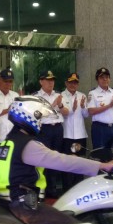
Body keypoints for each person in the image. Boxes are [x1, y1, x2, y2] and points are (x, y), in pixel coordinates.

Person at [0, 95, 113, 224]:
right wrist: (103, 165)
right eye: (39, 117)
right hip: (24, 206)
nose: (40, 122)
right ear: (29, 116)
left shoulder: (9, 141)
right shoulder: (28, 145)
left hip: (7, 202)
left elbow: (54, 158)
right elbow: (64, 162)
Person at [34, 70, 68, 198]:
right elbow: (37, 114)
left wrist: (59, 104)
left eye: (52, 80)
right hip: (45, 130)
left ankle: (53, 188)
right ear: (41, 81)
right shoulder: (36, 96)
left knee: (55, 158)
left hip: (57, 128)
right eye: (48, 80)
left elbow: (66, 112)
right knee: (44, 159)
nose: (50, 83)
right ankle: (42, 188)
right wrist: (53, 105)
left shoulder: (58, 94)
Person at [60, 72, 89, 192]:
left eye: (75, 82)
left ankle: (79, 190)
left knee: (80, 164)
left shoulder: (82, 96)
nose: (73, 85)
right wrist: (72, 109)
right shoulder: (61, 96)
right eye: (71, 82)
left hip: (80, 135)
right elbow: (65, 115)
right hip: (67, 135)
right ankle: (67, 190)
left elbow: (86, 115)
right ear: (66, 83)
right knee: (67, 165)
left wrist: (82, 107)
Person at [88, 67, 113, 150]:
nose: (105, 79)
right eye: (102, 77)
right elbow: (91, 111)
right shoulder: (93, 93)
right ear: (97, 80)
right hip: (100, 129)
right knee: (101, 154)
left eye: (107, 77)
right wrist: (109, 105)